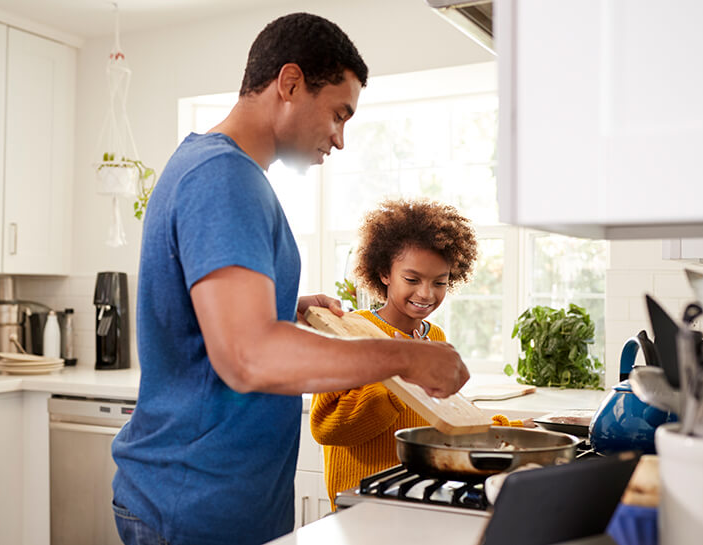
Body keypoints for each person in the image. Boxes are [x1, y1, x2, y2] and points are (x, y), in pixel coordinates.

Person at [110, 13, 470, 545]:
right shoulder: (223, 177)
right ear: (290, 83)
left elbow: (212, 324)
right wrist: (407, 356)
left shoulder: (213, 168)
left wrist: (285, 305)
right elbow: (248, 356)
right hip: (195, 504)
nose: (340, 139)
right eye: (338, 115)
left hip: (216, 499)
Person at [311, 197, 479, 507]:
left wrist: (504, 427)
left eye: (439, 282)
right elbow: (327, 428)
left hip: (420, 498)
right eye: (412, 279)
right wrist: (401, 381)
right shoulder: (350, 332)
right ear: (385, 273)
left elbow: (439, 422)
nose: (426, 293)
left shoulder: (435, 337)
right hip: (363, 504)